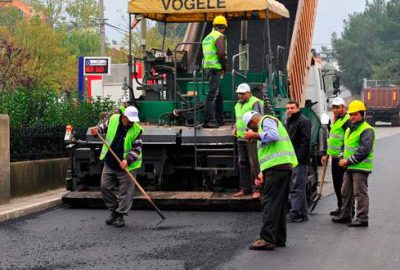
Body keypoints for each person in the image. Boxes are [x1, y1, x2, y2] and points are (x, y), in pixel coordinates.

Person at [243, 111, 298, 250]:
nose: (253, 130)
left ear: (252, 121)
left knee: (270, 202)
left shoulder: (265, 120)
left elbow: (274, 136)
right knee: (279, 204)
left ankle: (267, 239)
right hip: (280, 167)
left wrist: (254, 135)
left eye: (251, 127)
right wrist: (262, 173)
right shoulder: (267, 123)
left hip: (277, 168)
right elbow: (270, 152)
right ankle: (279, 237)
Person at [90, 106, 143, 227]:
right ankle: (114, 211)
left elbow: (137, 149)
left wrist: (127, 160)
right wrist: (96, 130)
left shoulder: (137, 129)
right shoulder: (113, 119)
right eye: (129, 120)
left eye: (133, 121)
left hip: (127, 167)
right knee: (105, 187)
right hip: (110, 163)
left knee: (126, 193)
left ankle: (120, 215)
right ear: (123, 117)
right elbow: (101, 128)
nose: (131, 123)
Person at [332, 100, 375, 227]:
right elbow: (343, 146)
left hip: (360, 167)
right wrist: (341, 157)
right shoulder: (349, 129)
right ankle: (346, 215)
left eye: (355, 114)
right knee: (345, 192)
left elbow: (364, 151)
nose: (352, 117)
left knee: (360, 194)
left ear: (362, 114)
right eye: (351, 114)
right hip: (348, 167)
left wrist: (348, 160)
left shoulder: (367, 130)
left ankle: (362, 218)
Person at [232, 83, 264, 199]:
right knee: (243, 163)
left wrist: (253, 134)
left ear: (249, 93)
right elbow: (239, 119)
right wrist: (235, 127)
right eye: (239, 94)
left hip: (252, 138)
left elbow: (258, 119)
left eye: (242, 93)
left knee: (254, 164)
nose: (240, 96)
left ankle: (257, 189)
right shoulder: (238, 104)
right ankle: (245, 189)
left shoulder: (255, 102)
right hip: (241, 138)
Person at [321, 97, 350, 216]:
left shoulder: (346, 121)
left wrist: (342, 156)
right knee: (337, 185)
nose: (335, 110)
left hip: (341, 159)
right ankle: (340, 206)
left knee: (344, 186)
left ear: (343, 108)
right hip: (334, 158)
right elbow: (333, 140)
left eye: (338, 107)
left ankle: (347, 209)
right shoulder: (336, 120)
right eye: (333, 107)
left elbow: (347, 141)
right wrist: (326, 154)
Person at [285, 101, 311, 222]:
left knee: (297, 187)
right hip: (293, 159)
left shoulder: (303, 121)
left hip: (299, 160)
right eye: (288, 108)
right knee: (298, 186)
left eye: (292, 108)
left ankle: (295, 212)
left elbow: (305, 142)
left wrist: (298, 158)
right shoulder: (290, 121)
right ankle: (303, 213)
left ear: (297, 108)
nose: (289, 110)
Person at [202, 15, 228, 128]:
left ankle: (219, 118)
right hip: (215, 69)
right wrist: (224, 67)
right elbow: (221, 54)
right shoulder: (219, 36)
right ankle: (209, 121)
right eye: (225, 27)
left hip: (207, 68)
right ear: (222, 26)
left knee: (218, 95)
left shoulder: (207, 37)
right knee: (212, 95)